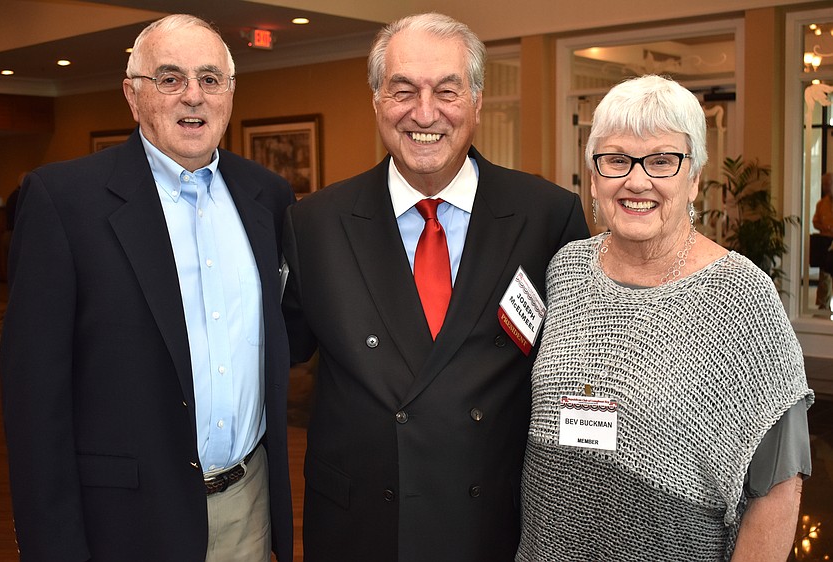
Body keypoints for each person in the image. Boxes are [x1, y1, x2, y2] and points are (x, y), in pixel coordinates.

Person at [281, 12, 590, 562]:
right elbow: (273, 353)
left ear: (476, 100)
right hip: (361, 527)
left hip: (494, 523)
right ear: (377, 100)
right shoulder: (315, 224)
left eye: (447, 91)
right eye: (403, 90)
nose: (425, 113)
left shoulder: (547, 217)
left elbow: (583, 370)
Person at [0, 14, 294, 562]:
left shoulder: (268, 197)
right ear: (133, 96)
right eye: (169, 78)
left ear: (230, 94)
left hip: (248, 508)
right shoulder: (65, 202)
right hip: (125, 520)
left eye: (210, 79)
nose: (193, 97)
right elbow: (34, 402)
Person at [516, 75, 814, 561]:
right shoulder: (565, 269)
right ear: (594, 177)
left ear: (694, 177)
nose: (637, 181)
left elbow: (778, 492)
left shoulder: (742, 298)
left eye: (661, 161)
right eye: (616, 160)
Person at [812, 172, 833, 309]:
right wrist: (824, 227)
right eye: (824, 184)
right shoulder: (821, 204)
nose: (825, 187)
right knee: (824, 276)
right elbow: (815, 222)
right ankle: (823, 306)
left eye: (828, 184)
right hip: (825, 242)